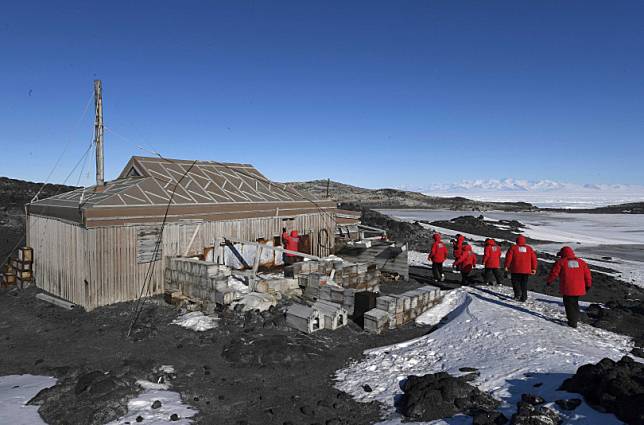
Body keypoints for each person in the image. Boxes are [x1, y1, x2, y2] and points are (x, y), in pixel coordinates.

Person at [546, 246, 592, 328]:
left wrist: (549, 281)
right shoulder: (581, 262)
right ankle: (576, 318)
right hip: (579, 288)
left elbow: (554, 273)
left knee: (569, 305)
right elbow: (587, 275)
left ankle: (572, 322)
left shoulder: (561, 262)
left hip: (567, 288)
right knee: (574, 303)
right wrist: (588, 284)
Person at [504, 235, 537, 302]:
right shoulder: (529, 248)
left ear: (516, 241)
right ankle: (524, 297)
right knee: (524, 283)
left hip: (515, 269)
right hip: (526, 270)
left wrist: (506, 266)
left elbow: (508, 258)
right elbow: (534, 259)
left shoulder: (513, 248)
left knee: (515, 283)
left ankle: (517, 295)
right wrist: (534, 268)